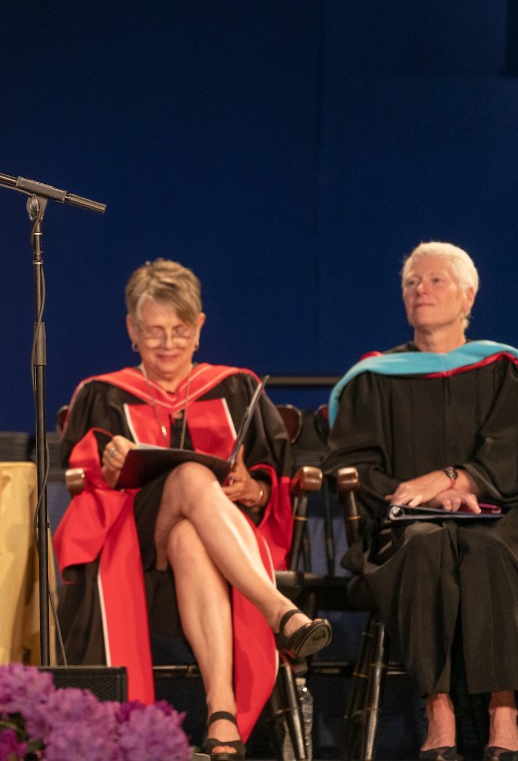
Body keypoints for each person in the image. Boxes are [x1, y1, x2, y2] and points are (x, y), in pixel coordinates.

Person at [53, 259, 332, 760]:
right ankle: (278, 611)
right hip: (133, 547)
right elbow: (81, 474)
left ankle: (220, 712)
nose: (167, 344)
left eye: (179, 330)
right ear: (131, 331)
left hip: (215, 555)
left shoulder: (236, 387)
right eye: (154, 331)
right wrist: (109, 468)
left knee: (189, 538)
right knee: (189, 476)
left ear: (199, 327)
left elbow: (274, 482)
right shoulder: (103, 393)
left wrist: (255, 490)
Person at [324, 241, 518, 761]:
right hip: (407, 525)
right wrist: (417, 498)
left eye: (435, 281)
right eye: (411, 282)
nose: (420, 290)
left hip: (498, 519)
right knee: (427, 545)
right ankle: (439, 708)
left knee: (488, 550)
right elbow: (356, 465)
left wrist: (460, 481)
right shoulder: (374, 377)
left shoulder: (506, 369)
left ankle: (504, 709)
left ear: (468, 294)